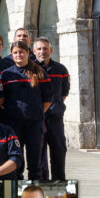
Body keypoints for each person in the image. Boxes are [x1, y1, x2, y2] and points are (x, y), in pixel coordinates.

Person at [0, 40, 51, 180]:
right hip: (13, 124)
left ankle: (34, 191)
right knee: (16, 160)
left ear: (28, 53)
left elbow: (48, 99)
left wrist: (36, 112)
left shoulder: (40, 73)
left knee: (35, 161)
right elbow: (1, 98)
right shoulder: (6, 75)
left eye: (22, 52)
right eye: (15, 52)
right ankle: (17, 191)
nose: (19, 55)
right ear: (11, 54)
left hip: (34, 123)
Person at [34, 37, 69, 180]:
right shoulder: (30, 69)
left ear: (51, 50)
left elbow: (64, 92)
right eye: (39, 49)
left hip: (55, 119)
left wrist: (55, 106)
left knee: (59, 153)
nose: (43, 51)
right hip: (37, 119)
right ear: (34, 51)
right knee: (39, 157)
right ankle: (42, 189)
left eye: (45, 48)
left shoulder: (60, 69)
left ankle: (58, 188)